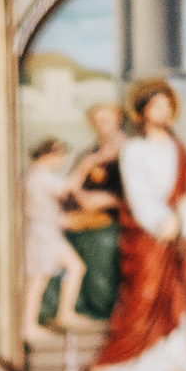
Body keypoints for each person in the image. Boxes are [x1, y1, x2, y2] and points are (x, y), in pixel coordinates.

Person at [96, 80, 186, 371]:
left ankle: (171, 360)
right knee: (142, 298)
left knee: (174, 298)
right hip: (148, 236)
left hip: (175, 236)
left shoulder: (177, 148)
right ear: (142, 111)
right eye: (157, 105)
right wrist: (163, 221)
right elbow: (138, 194)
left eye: (168, 106)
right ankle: (119, 361)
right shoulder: (134, 149)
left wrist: (184, 211)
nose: (164, 111)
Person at [22, 136, 92, 342]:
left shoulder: (38, 176)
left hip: (50, 232)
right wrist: (85, 166)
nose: (61, 161)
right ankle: (28, 326)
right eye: (59, 156)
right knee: (38, 279)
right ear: (49, 155)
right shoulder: (40, 177)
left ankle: (65, 313)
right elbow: (69, 188)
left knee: (75, 267)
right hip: (42, 234)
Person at [62, 101, 126, 324]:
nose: (101, 125)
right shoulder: (90, 153)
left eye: (106, 120)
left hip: (113, 219)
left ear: (117, 118)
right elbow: (72, 187)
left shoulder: (129, 150)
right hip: (84, 216)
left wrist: (109, 200)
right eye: (97, 121)